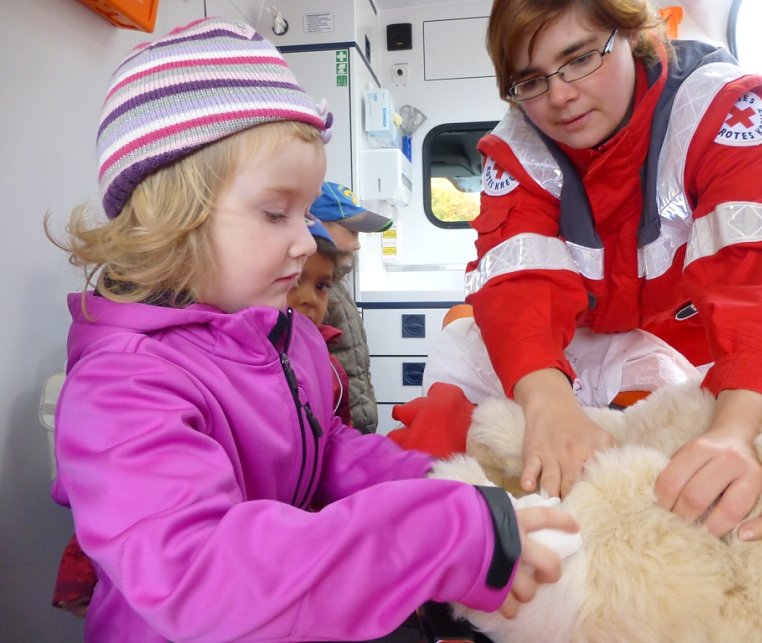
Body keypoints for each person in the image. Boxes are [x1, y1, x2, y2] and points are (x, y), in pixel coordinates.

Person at [49, 17, 577, 642]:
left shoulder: (285, 337)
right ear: (172, 217)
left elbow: (324, 450)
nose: (306, 242)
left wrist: (445, 485)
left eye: (305, 213)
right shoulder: (121, 387)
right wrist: (441, 535)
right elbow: (199, 578)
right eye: (277, 213)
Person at [462, 0, 762, 541]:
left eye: (580, 58)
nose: (560, 96)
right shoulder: (516, 149)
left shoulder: (718, 108)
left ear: (631, 32)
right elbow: (516, 284)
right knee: (449, 414)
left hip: (720, 357)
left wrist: (738, 430)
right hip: (577, 354)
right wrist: (546, 402)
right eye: (532, 80)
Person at [311, 181, 393, 433]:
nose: (358, 245)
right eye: (352, 232)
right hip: (338, 427)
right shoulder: (315, 292)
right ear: (319, 225)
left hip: (357, 421)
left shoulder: (337, 284)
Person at [288, 222, 353, 425]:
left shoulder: (330, 367)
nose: (310, 299)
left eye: (322, 286)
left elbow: (338, 430)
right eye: (295, 281)